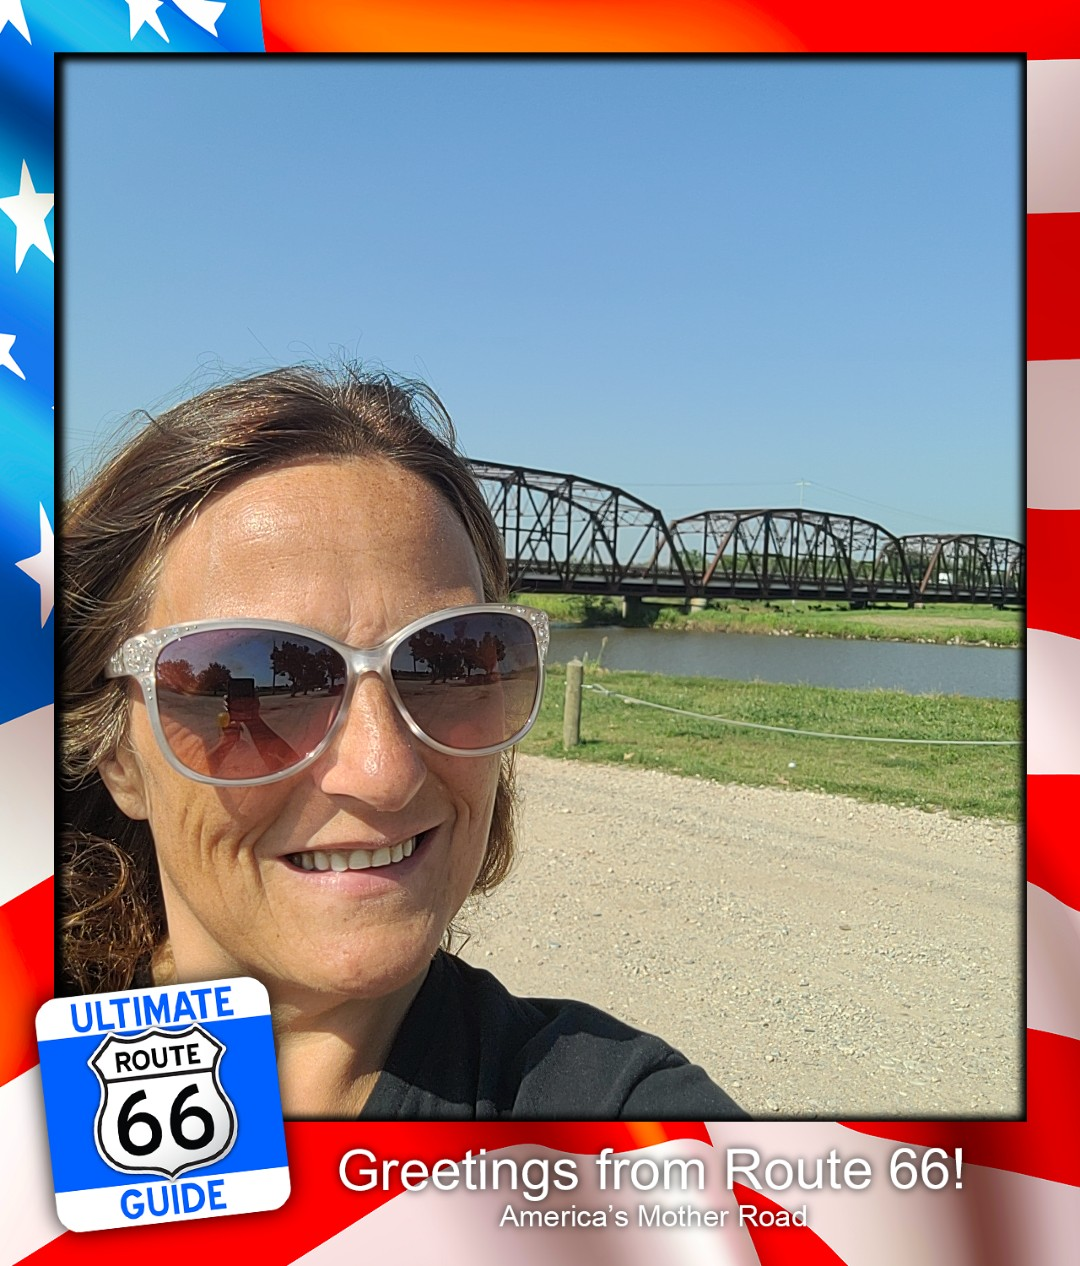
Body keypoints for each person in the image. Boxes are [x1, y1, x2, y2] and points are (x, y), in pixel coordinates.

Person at [61, 364, 746, 1121]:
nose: (383, 772)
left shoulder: (619, 1119)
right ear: (118, 757)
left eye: (448, 663)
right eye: (248, 678)